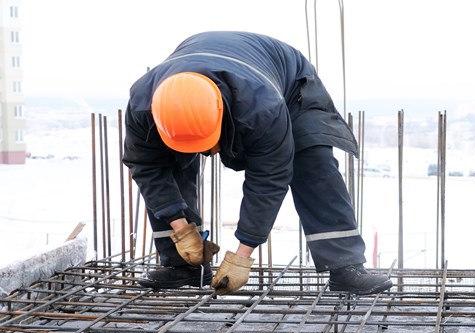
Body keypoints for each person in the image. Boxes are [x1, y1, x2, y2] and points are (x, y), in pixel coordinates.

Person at [122, 31, 393, 296]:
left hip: (289, 88)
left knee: (312, 160)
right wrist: (180, 229)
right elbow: (147, 168)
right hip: (219, 74)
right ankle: (183, 265)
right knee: (165, 164)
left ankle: (345, 267)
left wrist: (243, 255)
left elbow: (268, 179)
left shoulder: (263, 108)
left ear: (221, 115)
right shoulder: (143, 108)